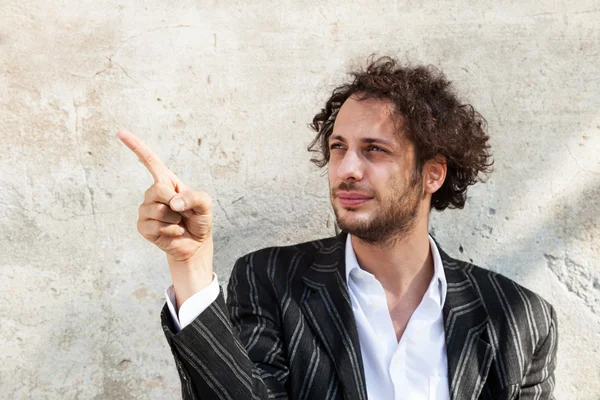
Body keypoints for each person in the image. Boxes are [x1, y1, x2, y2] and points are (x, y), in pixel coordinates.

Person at [118, 56, 557, 400]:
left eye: (374, 150)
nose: (346, 169)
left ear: (432, 174)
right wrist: (190, 266)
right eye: (338, 147)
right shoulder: (271, 281)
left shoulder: (520, 320)